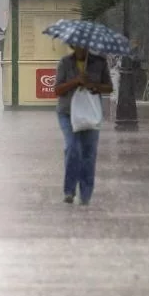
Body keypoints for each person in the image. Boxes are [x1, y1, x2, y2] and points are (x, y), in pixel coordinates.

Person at [53, 46, 113, 205]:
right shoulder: (65, 63)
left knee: (89, 154)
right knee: (73, 148)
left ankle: (86, 194)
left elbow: (109, 87)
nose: (80, 47)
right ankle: (69, 191)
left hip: (90, 113)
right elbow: (57, 90)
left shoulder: (99, 62)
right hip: (67, 112)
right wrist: (75, 81)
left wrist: (93, 85)